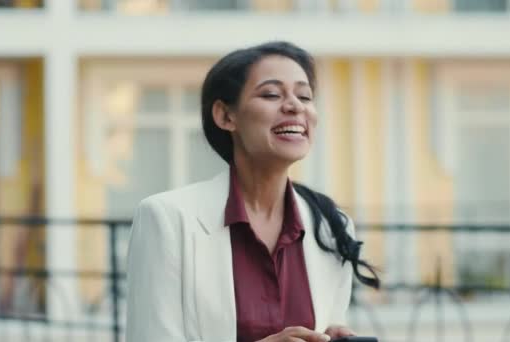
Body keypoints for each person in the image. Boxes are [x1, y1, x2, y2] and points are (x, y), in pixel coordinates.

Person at [126, 41, 379, 342]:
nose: (295, 106)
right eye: (271, 94)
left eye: (305, 96)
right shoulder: (166, 219)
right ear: (225, 116)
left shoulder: (331, 225)